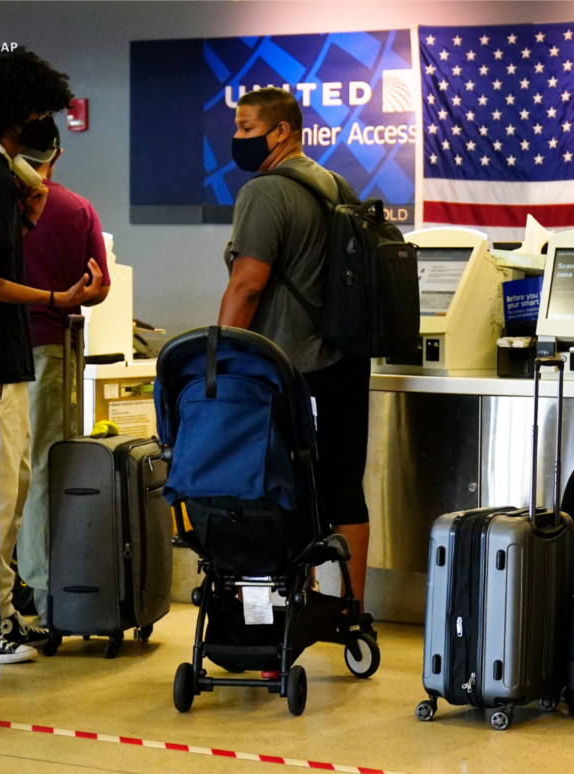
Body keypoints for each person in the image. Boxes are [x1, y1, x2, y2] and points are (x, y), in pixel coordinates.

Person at [216, 87, 372, 607]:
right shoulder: (339, 186)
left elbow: (247, 285)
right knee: (344, 488)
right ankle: (347, 611)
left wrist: (219, 361)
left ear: (280, 130)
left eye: (245, 127)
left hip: (290, 370)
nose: (236, 139)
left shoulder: (265, 192)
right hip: (346, 363)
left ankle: (285, 611)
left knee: (283, 490)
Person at [0, 51, 102, 663]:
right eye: (36, 110)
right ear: (17, 111)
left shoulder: (2, 177)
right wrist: (57, 296)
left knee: (14, 489)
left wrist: (24, 225)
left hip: (6, 360)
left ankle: (0, 616)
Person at [18, 129, 112, 624]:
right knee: (44, 471)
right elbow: (98, 287)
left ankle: (1, 583)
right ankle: (42, 591)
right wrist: (71, 295)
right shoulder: (77, 209)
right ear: (58, 153)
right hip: (48, 350)